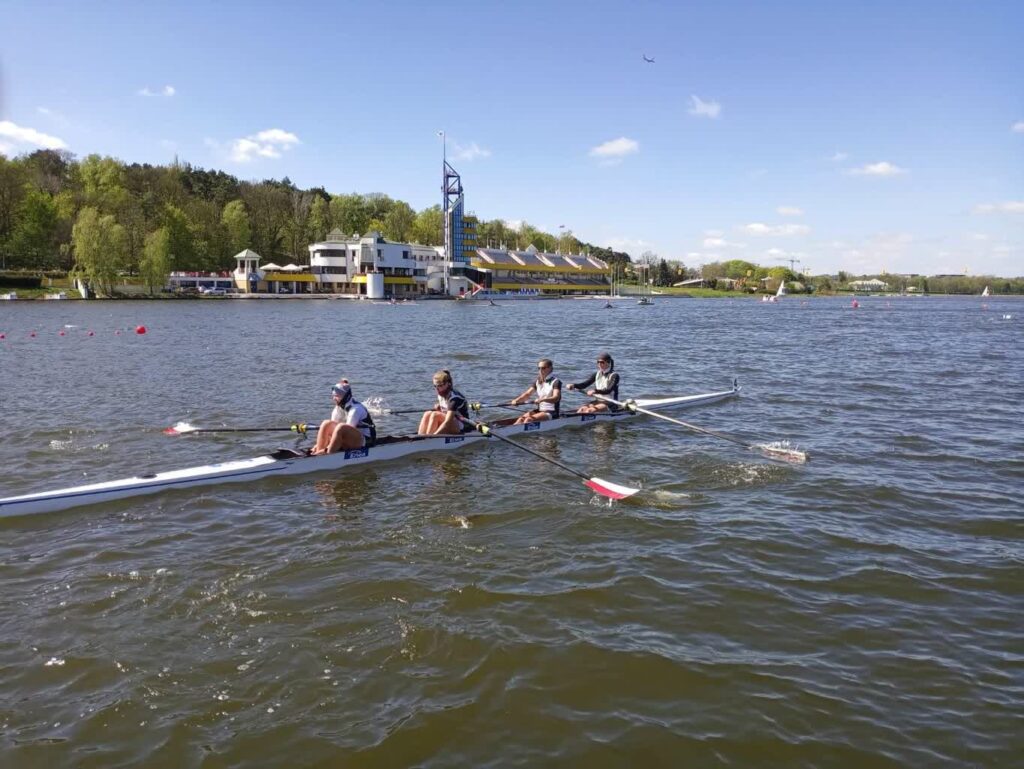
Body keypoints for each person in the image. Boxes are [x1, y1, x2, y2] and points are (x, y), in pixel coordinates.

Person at [311, 380, 377, 454]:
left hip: (367, 441)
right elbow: (332, 432)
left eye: (336, 396)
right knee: (326, 423)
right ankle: (318, 452)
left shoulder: (356, 409)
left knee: (341, 427)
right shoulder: (337, 408)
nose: (334, 398)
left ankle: (328, 454)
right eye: (333, 396)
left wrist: (327, 448)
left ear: (346, 396)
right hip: (352, 439)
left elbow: (344, 432)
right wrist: (319, 444)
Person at [418, 369, 473, 435]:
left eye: (440, 385)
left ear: (448, 384)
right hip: (452, 421)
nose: (437, 388)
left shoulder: (454, 399)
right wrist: (439, 406)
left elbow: (448, 422)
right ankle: (420, 436)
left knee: (435, 415)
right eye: (435, 386)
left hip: (461, 427)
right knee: (427, 413)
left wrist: (434, 436)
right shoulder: (441, 392)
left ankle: (429, 438)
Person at [510, 359, 561, 424]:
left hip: (552, 412)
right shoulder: (538, 381)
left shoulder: (556, 382)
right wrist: (516, 400)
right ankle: (511, 429)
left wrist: (542, 400)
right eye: (539, 368)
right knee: (521, 418)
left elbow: (556, 398)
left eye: (543, 368)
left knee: (529, 419)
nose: (540, 370)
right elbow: (527, 394)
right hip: (540, 410)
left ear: (550, 368)